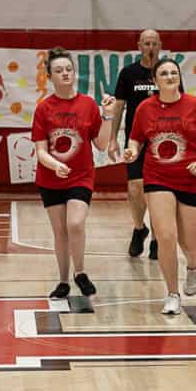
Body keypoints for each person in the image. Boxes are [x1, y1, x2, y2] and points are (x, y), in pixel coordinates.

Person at [122, 58, 196, 315]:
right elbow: (135, 139)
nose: (169, 76)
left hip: (190, 177)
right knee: (165, 236)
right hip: (157, 177)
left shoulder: (195, 106)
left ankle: (194, 264)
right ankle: (172, 294)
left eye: (173, 72)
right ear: (155, 80)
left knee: (189, 243)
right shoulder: (145, 108)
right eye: (163, 73)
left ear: (179, 77)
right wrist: (132, 151)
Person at [30, 48, 116, 300]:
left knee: (75, 224)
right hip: (50, 177)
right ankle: (63, 280)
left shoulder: (88, 104)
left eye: (68, 69)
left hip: (81, 176)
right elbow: (40, 151)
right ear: (49, 76)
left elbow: (101, 144)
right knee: (60, 232)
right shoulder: (43, 109)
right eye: (59, 70)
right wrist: (53, 165)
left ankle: (81, 273)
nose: (65, 73)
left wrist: (108, 115)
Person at [108, 29, 161, 259]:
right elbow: (118, 107)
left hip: (164, 143)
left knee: (160, 193)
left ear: (160, 45)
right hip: (136, 141)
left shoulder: (168, 72)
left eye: (154, 43)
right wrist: (112, 139)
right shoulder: (128, 73)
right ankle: (140, 229)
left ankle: (158, 238)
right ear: (139, 45)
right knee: (135, 188)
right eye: (146, 43)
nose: (150, 47)